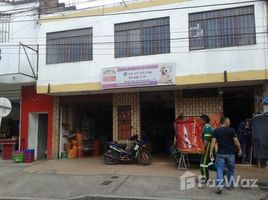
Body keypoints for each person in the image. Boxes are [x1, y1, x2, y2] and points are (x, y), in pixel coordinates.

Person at [210, 116, 242, 194]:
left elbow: (213, 142)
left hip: (220, 154)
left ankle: (220, 186)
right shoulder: (231, 130)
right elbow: (236, 141)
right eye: (229, 121)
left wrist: (211, 152)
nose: (230, 123)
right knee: (231, 170)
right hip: (231, 154)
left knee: (220, 169)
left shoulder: (216, 131)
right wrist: (240, 149)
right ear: (226, 122)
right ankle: (230, 186)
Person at [199, 115, 215, 184]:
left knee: (203, 163)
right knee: (209, 163)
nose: (199, 121)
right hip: (209, 146)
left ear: (204, 121)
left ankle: (205, 178)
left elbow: (207, 139)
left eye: (200, 120)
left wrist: (203, 148)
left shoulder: (207, 127)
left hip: (207, 146)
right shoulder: (207, 126)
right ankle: (222, 171)